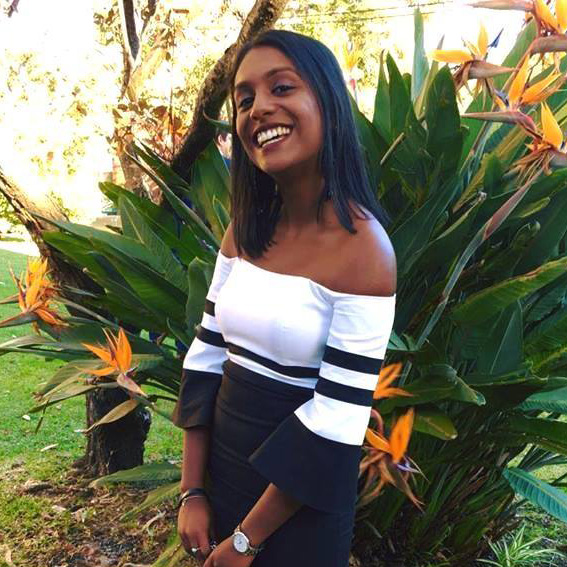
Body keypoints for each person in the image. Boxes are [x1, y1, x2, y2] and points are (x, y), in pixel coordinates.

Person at [173, 29, 397, 567]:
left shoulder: (365, 251)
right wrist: (192, 491)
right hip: (220, 478)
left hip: (298, 508)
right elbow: (206, 357)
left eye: (281, 87)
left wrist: (246, 541)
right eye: (244, 99)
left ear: (328, 102)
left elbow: (335, 419)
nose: (258, 109)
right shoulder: (245, 230)